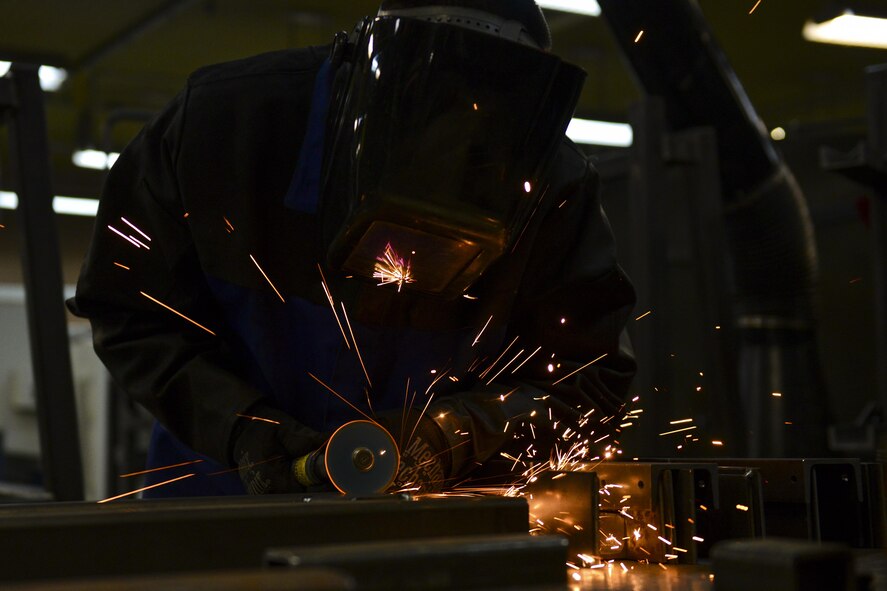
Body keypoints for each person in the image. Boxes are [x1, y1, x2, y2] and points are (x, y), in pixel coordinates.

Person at [68, 0, 637, 498]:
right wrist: (241, 428)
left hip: (426, 527)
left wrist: (457, 431)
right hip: (217, 509)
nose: (459, 147)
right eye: (436, 112)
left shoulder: (552, 188)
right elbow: (129, 310)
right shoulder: (223, 127)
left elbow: (589, 378)